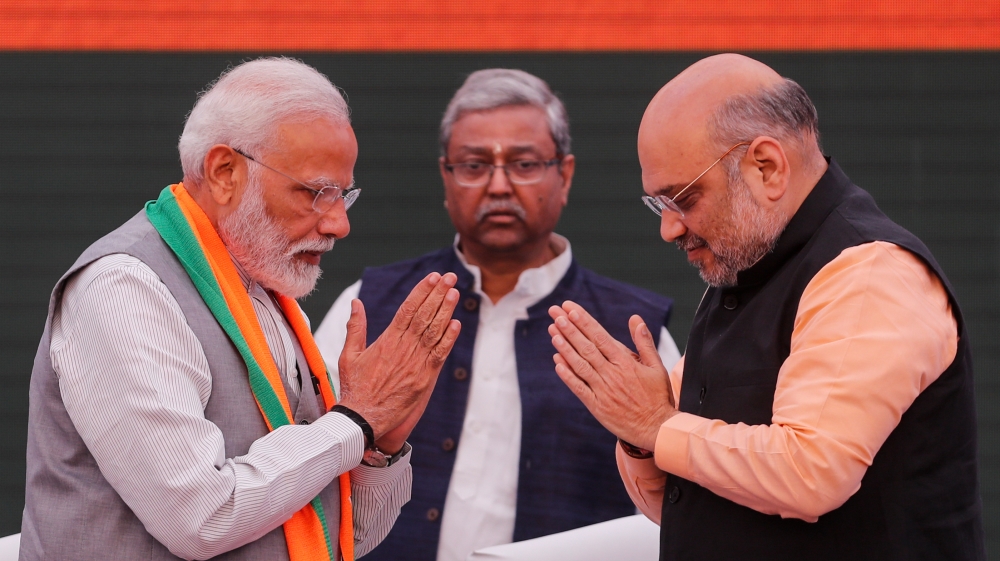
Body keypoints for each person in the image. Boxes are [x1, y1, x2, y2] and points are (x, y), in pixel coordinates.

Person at [20, 57, 463, 561]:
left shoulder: (262, 288)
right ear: (224, 172)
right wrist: (353, 420)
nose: (339, 224)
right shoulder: (123, 288)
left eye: (344, 195)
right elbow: (201, 520)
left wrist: (378, 446)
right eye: (317, 193)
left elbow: (338, 538)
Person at [547, 54, 985, 560]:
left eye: (683, 198)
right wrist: (641, 440)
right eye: (658, 205)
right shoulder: (748, 270)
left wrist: (655, 425)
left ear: (767, 167)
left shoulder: (869, 271)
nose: (668, 228)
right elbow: (695, 505)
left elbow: (811, 473)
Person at [314, 69, 680, 561]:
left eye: (525, 164)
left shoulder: (634, 332)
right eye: (474, 165)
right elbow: (306, 465)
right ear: (446, 177)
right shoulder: (371, 305)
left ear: (565, 175)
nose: (500, 185)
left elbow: (674, 509)